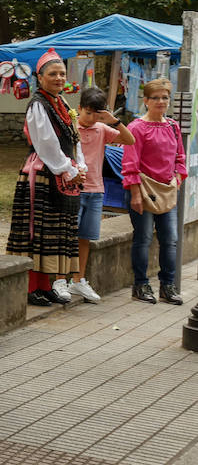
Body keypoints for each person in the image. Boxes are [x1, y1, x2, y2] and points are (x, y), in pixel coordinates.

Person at [5, 50, 86, 307]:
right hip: (42, 173)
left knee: (54, 232)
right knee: (37, 231)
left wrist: (79, 166)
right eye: (53, 74)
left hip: (62, 173)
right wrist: (68, 169)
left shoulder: (62, 103)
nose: (59, 78)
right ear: (39, 77)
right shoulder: (39, 105)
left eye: (62, 73)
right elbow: (46, 144)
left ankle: (45, 283)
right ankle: (32, 287)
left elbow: (75, 138)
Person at [123, 78, 186, 305]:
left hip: (166, 190)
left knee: (170, 240)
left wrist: (178, 176)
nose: (161, 101)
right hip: (143, 189)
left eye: (165, 97)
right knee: (144, 238)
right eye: (156, 97)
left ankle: (167, 286)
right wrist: (135, 194)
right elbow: (130, 163)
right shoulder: (136, 128)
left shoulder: (172, 126)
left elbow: (180, 156)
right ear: (146, 101)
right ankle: (140, 284)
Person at [71, 87, 133, 303]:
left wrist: (112, 121)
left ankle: (78, 280)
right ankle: (62, 279)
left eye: (96, 115)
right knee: (69, 236)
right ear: (79, 109)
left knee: (86, 237)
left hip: (96, 191)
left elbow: (129, 140)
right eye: (87, 113)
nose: (90, 119)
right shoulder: (71, 126)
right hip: (73, 189)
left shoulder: (102, 129)